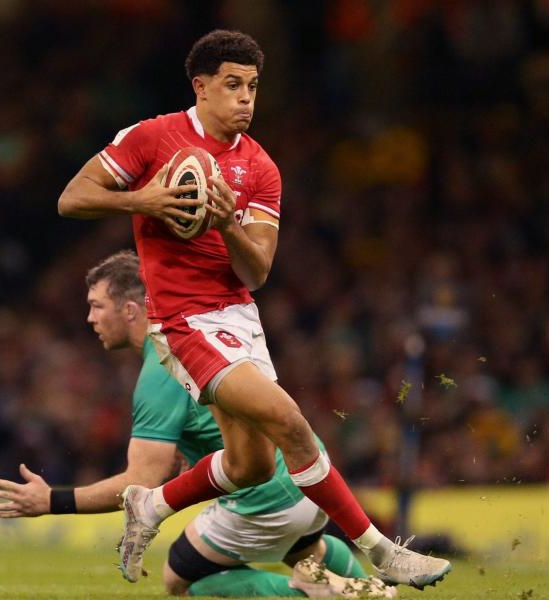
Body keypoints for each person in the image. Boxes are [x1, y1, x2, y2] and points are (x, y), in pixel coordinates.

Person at [56, 30, 451, 590]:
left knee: (251, 466)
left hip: (238, 317)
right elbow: (71, 197)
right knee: (292, 424)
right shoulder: (151, 138)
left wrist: (226, 225)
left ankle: (150, 506)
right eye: (233, 85)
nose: (246, 98)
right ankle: (381, 550)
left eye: (254, 87)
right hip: (182, 323)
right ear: (201, 87)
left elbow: (257, 271)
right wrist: (142, 200)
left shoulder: (261, 168)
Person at [0, 251, 396, 598]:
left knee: (179, 575)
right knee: (308, 554)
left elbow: (140, 482)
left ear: (130, 310)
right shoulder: (195, 334)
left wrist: (52, 502)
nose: (90, 317)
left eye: (96, 305)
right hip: (310, 474)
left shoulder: (158, 371)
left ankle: (318, 593)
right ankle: (360, 589)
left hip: (268, 497)